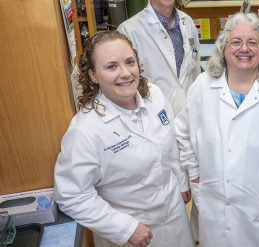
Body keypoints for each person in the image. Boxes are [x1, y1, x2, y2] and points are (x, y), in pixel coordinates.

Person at [175, 12, 259, 246]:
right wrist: (195, 178)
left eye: (252, 42)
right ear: (223, 47)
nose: (244, 49)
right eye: (236, 41)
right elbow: (183, 134)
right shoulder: (202, 87)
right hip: (214, 206)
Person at [54, 31, 194, 247]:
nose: (126, 73)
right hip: (132, 233)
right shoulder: (86, 130)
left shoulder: (154, 96)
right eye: (111, 66)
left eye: (130, 62)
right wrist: (124, 228)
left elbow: (171, 144)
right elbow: (71, 195)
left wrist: (182, 180)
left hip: (174, 218)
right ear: (93, 75)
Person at [117, 0, 200, 237]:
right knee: (169, 203)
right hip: (157, 129)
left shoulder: (188, 23)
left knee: (199, 193)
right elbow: (127, 89)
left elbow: (193, 75)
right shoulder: (129, 31)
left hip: (191, 124)